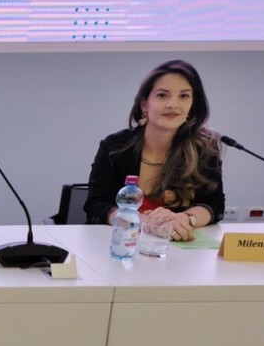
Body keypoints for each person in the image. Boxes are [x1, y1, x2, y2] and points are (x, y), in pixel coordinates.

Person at [84, 59, 224, 241]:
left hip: (178, 245)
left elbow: (215, 205)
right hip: (121, 242)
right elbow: (96, 205)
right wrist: (144, 222)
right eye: (162, 95)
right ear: (144, 104)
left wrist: (185, 219)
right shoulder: (115, 147)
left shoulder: (204, 148)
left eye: (184, 96)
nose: (173, 104)